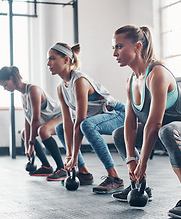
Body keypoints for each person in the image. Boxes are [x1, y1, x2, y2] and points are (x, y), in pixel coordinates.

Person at [111, 25, 181, 219]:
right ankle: (139, 186)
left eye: (119, 46)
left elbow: (153, 124)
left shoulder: (156, 74)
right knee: (119, 134)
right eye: (113, 48)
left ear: (137, 47)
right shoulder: (130, 81)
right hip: (164, 132)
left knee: (167, 130)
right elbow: (130, 124)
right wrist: (131, 161)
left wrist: (143, 163)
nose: (114, 53)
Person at [47, 42, 126, 194]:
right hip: (98, 118)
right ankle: (83, 173)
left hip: (118, 114)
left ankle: (115, 178)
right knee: (60, 128)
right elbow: (68, 122)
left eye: (52, 59)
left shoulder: (79, 81)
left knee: (86, 125)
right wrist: (69, 155)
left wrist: (74, 156)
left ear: (65, 60)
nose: (48, 63)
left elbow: (80, 120)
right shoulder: (60, 87)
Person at [0, 66, 67, 181]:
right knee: (25, 133)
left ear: (11, 78)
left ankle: (61, 169)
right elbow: (28, 120)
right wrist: (27, 146)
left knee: (43, 130)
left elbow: (35, 119)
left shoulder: (33, 90)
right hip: (48, 120)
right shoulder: (22, 94)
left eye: (5, 85)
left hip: (62, 116)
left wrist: (31, 145)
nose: (5, 88)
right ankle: (46, 166)